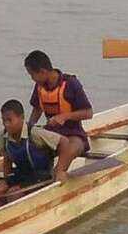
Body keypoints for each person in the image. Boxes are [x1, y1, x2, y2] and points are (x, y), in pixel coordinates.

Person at [23, 50, 94, 183]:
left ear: (43, 72)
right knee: (27, 148)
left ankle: (59, 172)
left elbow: (88, 112)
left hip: (73, 134)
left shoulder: (71, 83)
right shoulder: (39, 86)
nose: (32, 78)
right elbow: (37, 109)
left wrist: (64, 116)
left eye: (32, 75)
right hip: (51, 133)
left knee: (71, 148)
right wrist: (28, 127)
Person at [0, 99, 67, 205]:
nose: (6, 124)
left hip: (41, 176)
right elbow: (7, 161)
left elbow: (64, 142)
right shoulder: (4, 137)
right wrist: (7, 181)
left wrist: (60, 170)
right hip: (21, 174)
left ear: (21, 118)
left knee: (13, 194)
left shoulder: (35, 133)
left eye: (10, 120)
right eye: (4, 121)